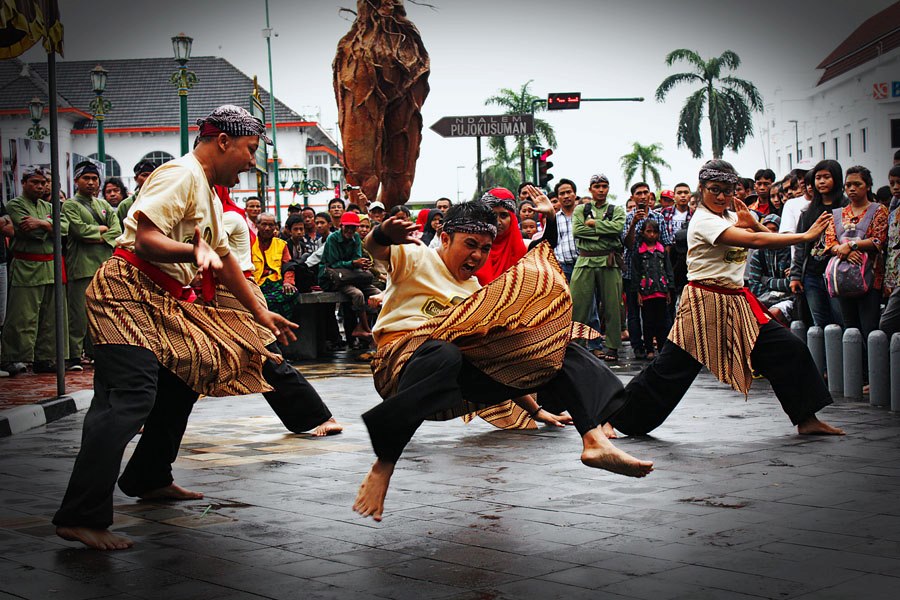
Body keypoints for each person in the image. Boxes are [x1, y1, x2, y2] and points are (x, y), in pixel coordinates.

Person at [53, 105, 297, 551]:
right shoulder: (179, 174)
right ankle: (80, 516)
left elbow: (223, 261)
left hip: (161, 302)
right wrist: (191, 253)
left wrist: (261, 314)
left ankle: (148, 476)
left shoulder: (205, 188)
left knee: (184, 380)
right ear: (223, 141)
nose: (250, 162)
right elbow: (146, 240)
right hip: (125, 294)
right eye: (249, 149)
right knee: (129, 401)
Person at [353, 201, 654, 521]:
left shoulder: (474, 291)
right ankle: (383, 465)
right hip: (399, 367)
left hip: (448, 387)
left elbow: (501, 357)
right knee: (443, 350)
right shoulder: (417, 258)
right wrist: (384, 230)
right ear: (444, 238)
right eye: (470, 245)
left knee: (552, 343)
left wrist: (537, 411)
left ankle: (592, 438)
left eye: (484, 248)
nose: (477, 256)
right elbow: (375, 247)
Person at [609, 160, 844, 438]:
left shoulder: (729, 217)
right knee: (669, 370)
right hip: (704, 306)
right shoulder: (704, 221)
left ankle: (807, 419)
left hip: (736, 303)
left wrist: (753, 222)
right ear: (702, 188)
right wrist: (805, 235)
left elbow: (763, 235)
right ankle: (612, 419)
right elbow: (756, 243)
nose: (721, 196)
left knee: (789, 350)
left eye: (728, 190)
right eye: (715, 190)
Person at [218, 184, 342, 437]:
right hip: (217, 295)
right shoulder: (213, 213)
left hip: (235, 293)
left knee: (268, 359)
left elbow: (211, 255)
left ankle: (322, 416)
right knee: (180, 368)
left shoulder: (227, 218)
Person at [0, 166, 68, 375]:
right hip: (26, 266)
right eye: (35, 182)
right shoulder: (15, 205)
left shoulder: (47, 206)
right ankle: (14, 357)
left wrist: (41, 223)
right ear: (23, 183)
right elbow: (29, 232)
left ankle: (44, 358)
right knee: (23, 316)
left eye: (43, 183)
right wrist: (49, 227)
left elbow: (64, 228)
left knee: (49, 317)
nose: (40, 186)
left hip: (49, 267)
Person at [63, 161, 122, 370]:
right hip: (81, 266)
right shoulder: (70, 205)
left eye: (94, 179)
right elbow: (79, 231)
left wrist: (99, 235)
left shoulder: (103, 205)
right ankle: (73, 354)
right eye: (86, 178)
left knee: (101, 313)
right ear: (76, 180)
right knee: (78, 314)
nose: (91, 183)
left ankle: (95, 352)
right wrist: (102, 233)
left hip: (102, 265)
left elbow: (117, 230)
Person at [823, 165, 888, 344]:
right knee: (850, 330)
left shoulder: (879, 210)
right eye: (848, 185)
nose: (851, 189)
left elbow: (878, 240)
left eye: (857, 184)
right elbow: (830, 243)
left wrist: (852, 245)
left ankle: (871, 371)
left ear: (868, 186)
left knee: (869, 329)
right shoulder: (838, 214)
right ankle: (854, 371)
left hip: (871, 278)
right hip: (844, 280)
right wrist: (843, 252)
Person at [571, 174, 625, 362]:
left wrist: (594, 224)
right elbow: (578, 231)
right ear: (590, 189)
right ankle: (575, 345)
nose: (601, 190)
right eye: (597, 186)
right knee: (579, 305)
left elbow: (618, 228)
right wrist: (603, 231)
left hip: (609, 261)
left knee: (612, 306)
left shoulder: (616, 209)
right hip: (585, 260)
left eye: (604, 186)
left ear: (608, 188)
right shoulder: (581, 209)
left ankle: (612, 346)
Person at [790, 160, 848, 328]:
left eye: (826, 177)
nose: (821, 182)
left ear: (836, 179)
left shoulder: (846, 208)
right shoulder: (808, 212)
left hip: (839, 273)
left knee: (841, 321)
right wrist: (795, 276)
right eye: (818, 178)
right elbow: (800, 245)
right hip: (812, 275)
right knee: (819, 322)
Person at [622, 182, 673, 359]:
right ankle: (638, 347)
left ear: (650, 195)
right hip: (632, 272)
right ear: (632, 197)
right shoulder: (628, 217)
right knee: (634, 312)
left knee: (658, 313)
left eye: (646, 193)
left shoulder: (658, 217)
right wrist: (634, 223)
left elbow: (666, 244)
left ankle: (659, 344)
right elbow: (627, 244)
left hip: (656, 276)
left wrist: (662, 272)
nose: (643, 196)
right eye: (639, 193)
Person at [320, 211, 381, 338]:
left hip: (353, 276)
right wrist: (353, 263)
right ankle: (365, 328)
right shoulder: (333, 239)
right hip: (336, 278)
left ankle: (366, 327)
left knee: (377, 294)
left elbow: (357, 258)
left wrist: (361, 264)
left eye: (353, 227)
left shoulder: (356, 238)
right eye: (347, 227)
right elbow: (333, 264)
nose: (350, 230)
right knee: (357, 295)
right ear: (341, 226)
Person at [631, 219, 674, 358]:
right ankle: (649, 348)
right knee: (648, 322)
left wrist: (669, 289)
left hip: (661, 291)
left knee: (663, 322)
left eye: (655, 232)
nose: (652, 235)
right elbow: (635, 273)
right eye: (648, 231)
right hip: (646, 292)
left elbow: (668, 270)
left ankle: (662, 348)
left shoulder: (662, 251)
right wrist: (637, 292)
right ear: (642, 233)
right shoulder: (639, 252)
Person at [747, 214, 793, 324]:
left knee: (773, 313)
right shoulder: (759, 254)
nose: (771, 234)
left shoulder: (791, 252)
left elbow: (792, 284)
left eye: (775, 230)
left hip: (789, 300)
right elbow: (755, 287)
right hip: (764, 300)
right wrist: (780, 284)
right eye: (767, 230)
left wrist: (767, 280)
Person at [251, 213, 298, 320]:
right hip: (256, 284)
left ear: (275, 227)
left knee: (292, 293)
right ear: (256, 225)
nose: (267, 228)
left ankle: (266, 309)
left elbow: (288, 266)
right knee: (260, 299)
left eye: (271, 225)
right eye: (264, 224)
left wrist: (288, 282)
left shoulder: (281, 244)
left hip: (276, 283)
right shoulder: (250, 243)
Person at [116, 160, 157, 224]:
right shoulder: (126, 205)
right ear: (135, 178)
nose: (149, 178)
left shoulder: (166, 201)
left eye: (153, 175)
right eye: (144, 175)